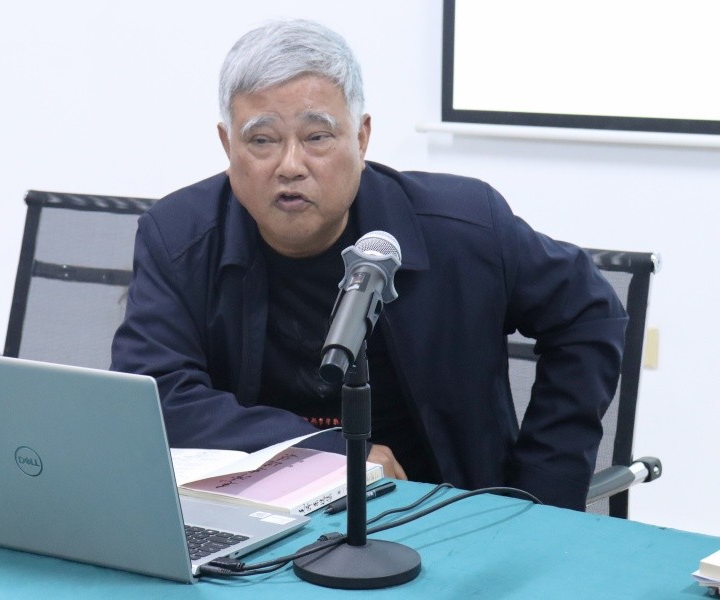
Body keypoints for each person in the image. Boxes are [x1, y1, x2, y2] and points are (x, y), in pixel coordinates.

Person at [110, 19, 628, 511]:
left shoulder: (464, 228)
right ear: (228, 145)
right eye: (262, 140)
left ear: (361, 138)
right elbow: (154, 395)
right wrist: (322, 455)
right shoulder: (177, 238)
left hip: (447, 510)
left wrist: (542, 489)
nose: (290, 166)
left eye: (317, 137)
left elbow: (588, 313)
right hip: (260, 517)